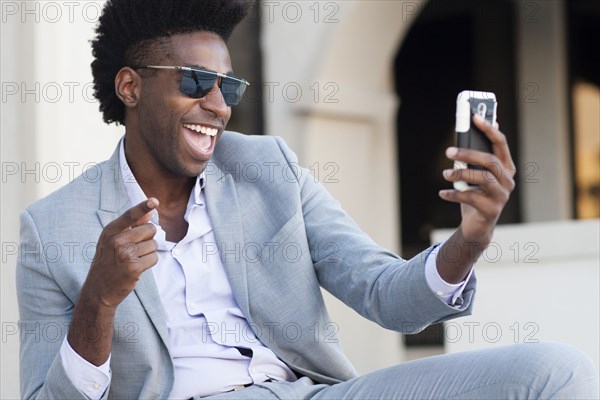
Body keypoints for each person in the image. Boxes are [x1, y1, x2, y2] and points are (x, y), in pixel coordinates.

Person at [16, 0, 599, 399]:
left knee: (556, 372)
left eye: (230, 85)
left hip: (309, 393)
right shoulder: (53, 229)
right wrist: (98, 300)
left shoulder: (268, 169)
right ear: (130, 86)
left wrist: (470, 240)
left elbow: (385, 294)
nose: (219, 104)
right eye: (197, 81)